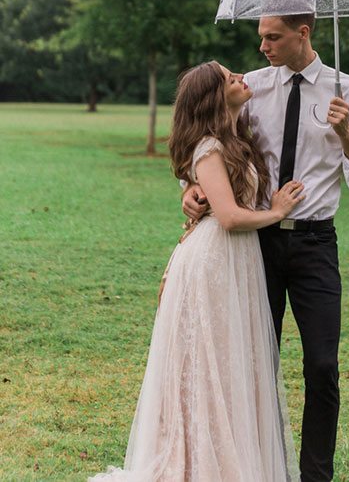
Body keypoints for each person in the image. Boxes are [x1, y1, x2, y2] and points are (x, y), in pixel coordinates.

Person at [183, 15, 349, 482]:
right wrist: (190, 189)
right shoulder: (249, 88)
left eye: (272, 37)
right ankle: (256, 468)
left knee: (322, 364)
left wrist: (347, 135)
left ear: (304, 33)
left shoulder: (348, 90)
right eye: (261, 38)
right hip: (255, 244)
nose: (263, 47)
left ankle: (315, 476)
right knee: (252, 360)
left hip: (315, 242)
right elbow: (209, 143)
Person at [89, 61, 304, 482]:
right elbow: (227, 217)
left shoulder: (236, 138)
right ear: (214, 97)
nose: (242, 77)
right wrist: (276, 211)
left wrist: (191, 192)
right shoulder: (209, 147)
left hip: (238, 260)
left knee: (229, 362)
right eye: (230, 78)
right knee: (210, 362)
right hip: (215, 260)